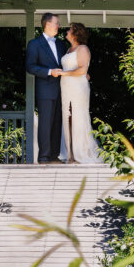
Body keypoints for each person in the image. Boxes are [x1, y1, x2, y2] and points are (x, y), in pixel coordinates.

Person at [25, 12, 69, 163]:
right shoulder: (34, 44)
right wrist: (50, 72)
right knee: (45, 123)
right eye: (57, 23)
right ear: (48, 24)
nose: (59, 26)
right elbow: (30, 67)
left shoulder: (61, 44)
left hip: (62, 90)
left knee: (57, 123)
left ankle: (54, 155)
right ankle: (43, 157)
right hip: (45, 89)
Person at [55, 22, 100, 163]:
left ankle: (82, 152)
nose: (67, 31)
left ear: (75, 34)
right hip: (66, 87)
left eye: (69, 30)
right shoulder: (69, 50)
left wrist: (63, 73)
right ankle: (70, 154)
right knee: (67, 118)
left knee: (78, 117)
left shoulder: (83, 49)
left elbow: (82, 70)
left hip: (78, 87)